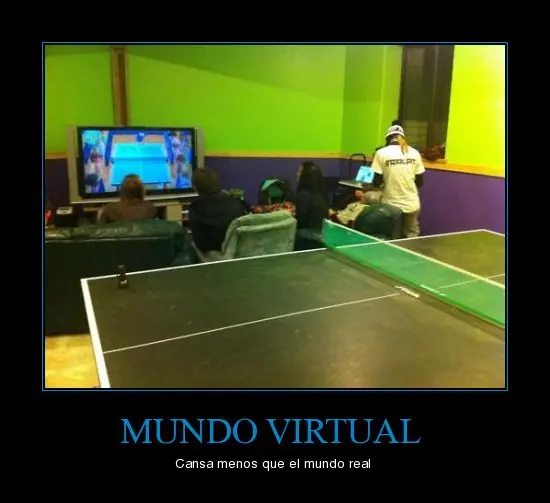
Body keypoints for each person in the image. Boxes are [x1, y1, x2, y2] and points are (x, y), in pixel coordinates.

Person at [371, 125, 425, 238]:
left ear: (388, 139)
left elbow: (376, 182)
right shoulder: (415, 152)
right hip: (412, 204)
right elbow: (420, 182)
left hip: (391, 205)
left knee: (393, 236)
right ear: (402, 138)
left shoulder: (381, 153)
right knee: (411, 235)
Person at [189, 168, 249, 253]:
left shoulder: (196, 207)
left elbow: (198, 240)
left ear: (195, 187)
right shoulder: (236, 202)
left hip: (214, 253)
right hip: (238, 251)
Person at [294, 161, 329, 249]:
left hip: (306, 240)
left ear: (306, 176)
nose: (297, 174)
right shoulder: (322, 194)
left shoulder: (303, 195)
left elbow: (299, 221)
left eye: (299, 171)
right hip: (322, 237)